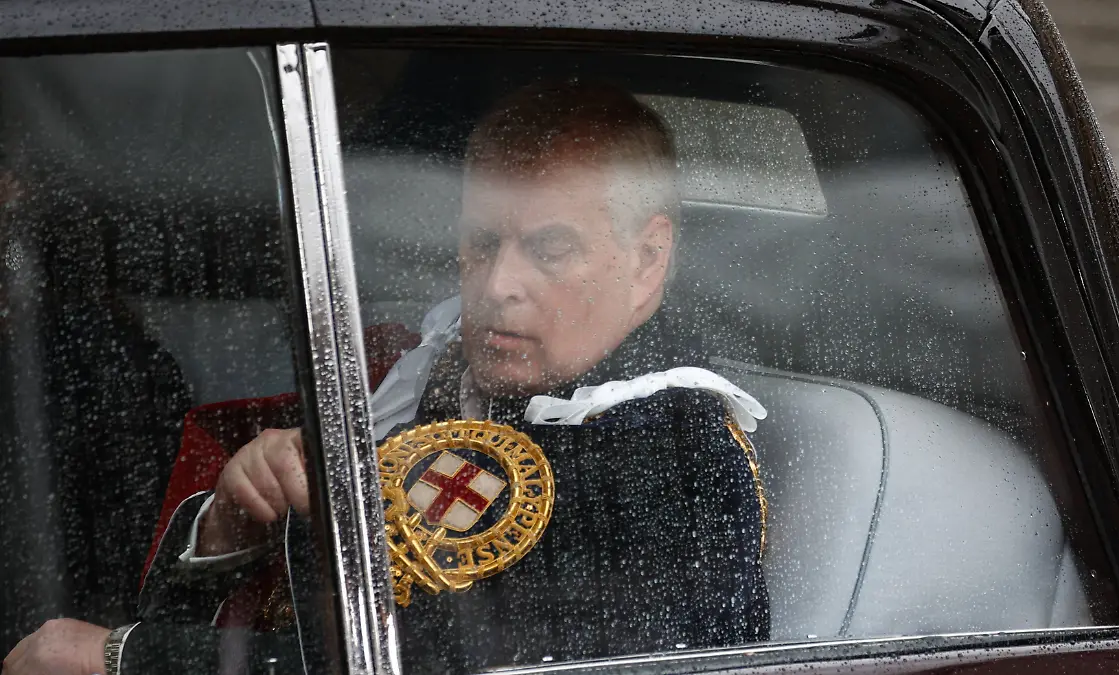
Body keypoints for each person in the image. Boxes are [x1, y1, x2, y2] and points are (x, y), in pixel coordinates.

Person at [4, 80, 769, 675]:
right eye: (480, 242)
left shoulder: (677, 457)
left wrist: (129, 660)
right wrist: (235, 523)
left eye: (551, 250)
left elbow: (456, 664)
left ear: (646, 261)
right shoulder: (432, 374)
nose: (498, 283)